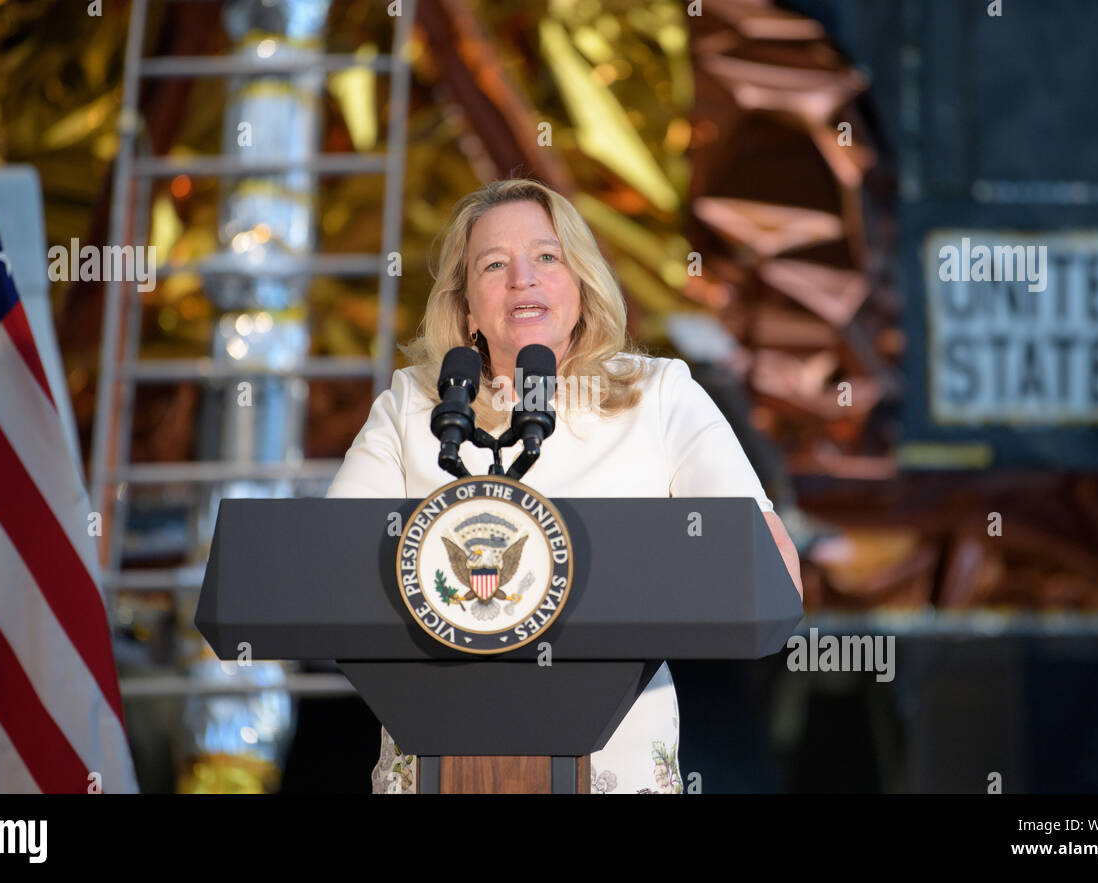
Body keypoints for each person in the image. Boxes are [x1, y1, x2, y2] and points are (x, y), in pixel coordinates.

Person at [325, 178, 804, 794]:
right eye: (494, 264)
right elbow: (332, 574)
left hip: (612, 767)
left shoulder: (658, 396)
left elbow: (770, 568)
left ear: (581, 282)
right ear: (467, 304)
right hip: (436, 766)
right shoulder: (413, 406)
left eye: (547, 257)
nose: (522, 277)